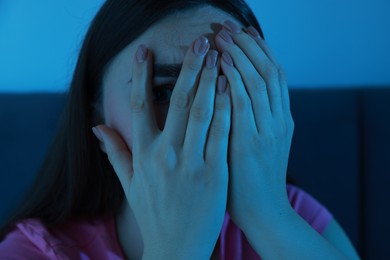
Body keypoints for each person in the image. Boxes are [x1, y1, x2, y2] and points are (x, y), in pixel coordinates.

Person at [0, 0, 360, 259]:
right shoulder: (33, 251)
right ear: (96, 112)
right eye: (162, 91)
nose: (204, 116)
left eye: (231, 84)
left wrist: (268, 215)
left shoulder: (294, 216)